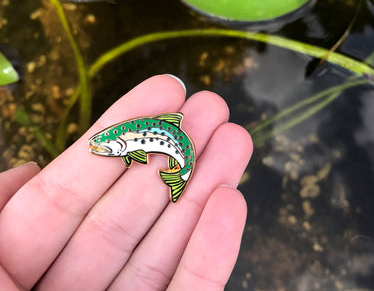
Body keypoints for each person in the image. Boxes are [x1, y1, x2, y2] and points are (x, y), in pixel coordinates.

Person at [0, 75, 253, 290]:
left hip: (177, 148)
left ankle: (179, 178)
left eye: (104, 145)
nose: (100, 148)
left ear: (119, 142)